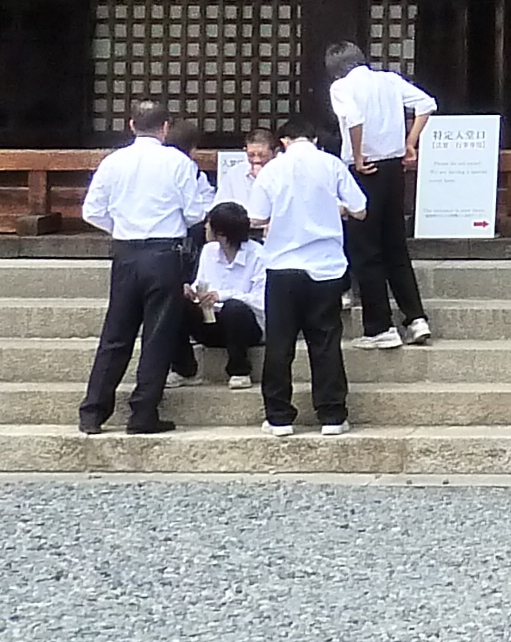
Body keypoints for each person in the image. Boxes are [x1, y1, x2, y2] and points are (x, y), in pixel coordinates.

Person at [75, 98, 216, 436]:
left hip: (126, 251)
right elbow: (195, 213)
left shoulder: (113, 162)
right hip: (164, 252)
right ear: (165, 128)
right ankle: (143, 412)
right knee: (158, 334)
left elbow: (91, 211)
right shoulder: (177, 163)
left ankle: (93, 411)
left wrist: (122, 226)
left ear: (131, 125)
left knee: (116, 334)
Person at [321, 40, 440, 352]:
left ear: (335, 70)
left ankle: (380, 326)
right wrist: (410, 142)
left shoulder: (341, 88)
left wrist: (358, 156)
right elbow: (427, 104)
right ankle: (416, 318)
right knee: (395, 246)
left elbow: (355, 120)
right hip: (393, 167)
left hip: (364, 169)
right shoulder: (388, 79)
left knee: (366, 249)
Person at [247, 125, 367, 435]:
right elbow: (361, 209)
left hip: (283, 266)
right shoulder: (331, 165)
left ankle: (278, 416)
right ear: (313, 139)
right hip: (325, 266)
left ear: (284, 142)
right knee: (325, 342)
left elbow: (256, 216)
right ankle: (331, 414)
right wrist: (334, 208)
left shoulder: (273, 169)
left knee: (279, 343)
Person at [176, 200, 268, 388]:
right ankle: (184, 369)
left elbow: (261, 301)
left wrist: (223, 295)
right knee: (175, 300)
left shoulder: (259, 255)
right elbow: (201, 282)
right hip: (211, 321)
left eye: (209, 224)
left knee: (234, 308)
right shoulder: (209, 251)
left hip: (247, 327)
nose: (205, 227)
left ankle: (240, 370)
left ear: (222, 233)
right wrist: (192, 292)